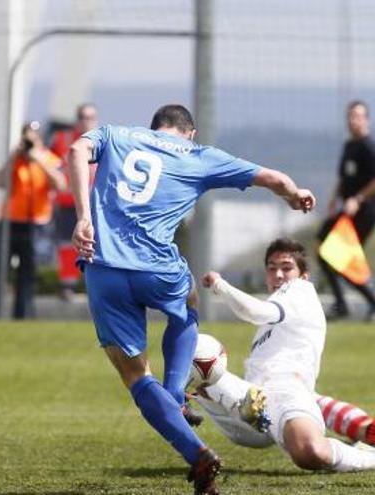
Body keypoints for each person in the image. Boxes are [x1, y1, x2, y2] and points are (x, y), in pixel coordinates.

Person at [67, 104, 316, 494]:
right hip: (157, 268)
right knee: (187, 304)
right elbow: (272, 177)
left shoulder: (115, 135)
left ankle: (194, 449)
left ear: (154, 128)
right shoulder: (198, 156)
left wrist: (84, 216)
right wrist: (294, 194)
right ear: (190, 132)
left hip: (103, 264)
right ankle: (174, 393)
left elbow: (75, 151)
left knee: (134, 375)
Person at [193, 238, 375, 473]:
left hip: (286, 394)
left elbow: (252, 311)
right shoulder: (272, 319)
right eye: (271, 268)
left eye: (287, 268)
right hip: (252, 406)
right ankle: (183, 398)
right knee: (195, 351)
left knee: (311, 452)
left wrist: (219, 284)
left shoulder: (300, 291)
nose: (278, 274)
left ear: (304, 275)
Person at [0, 121, 66, 319]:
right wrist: (13, 157)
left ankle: (24, 315)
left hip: (36, 223)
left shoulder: (49, 159)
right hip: (10, 221)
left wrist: (39, 161)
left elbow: (60, 185)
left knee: (28, 273)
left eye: (33, 136)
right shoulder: (15, 160)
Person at [317, 100, 375, 322]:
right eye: (350, 116)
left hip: (365, 212)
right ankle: (348, 304)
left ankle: (371, 304)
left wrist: (358, 199)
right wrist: (333, 200)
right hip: (346, 211)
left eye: (358, 116)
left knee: (340, 258)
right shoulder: (349, 146)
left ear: (366, 120)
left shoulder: (369, 147)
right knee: (323, 248)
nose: (353, 121)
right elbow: (344, 178)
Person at [49, 103, 99, 300]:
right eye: (83, 117)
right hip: (69, 204)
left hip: (95, 205)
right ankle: (67, 285)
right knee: (67, 245)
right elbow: (50, 163)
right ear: (77, 120)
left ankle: (93, 285)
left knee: (95, 245)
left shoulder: (103, 140)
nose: (87, 121)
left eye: (91, 117)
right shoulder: (63, 140)